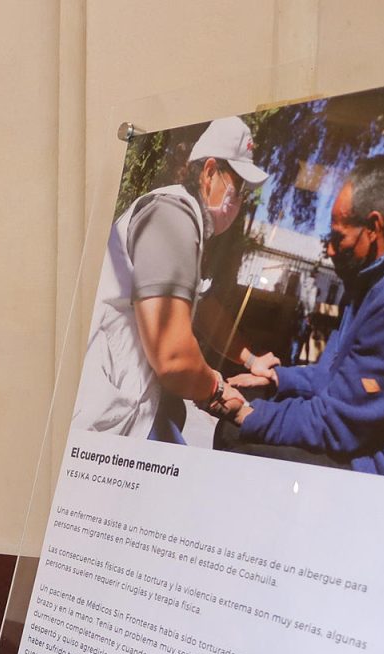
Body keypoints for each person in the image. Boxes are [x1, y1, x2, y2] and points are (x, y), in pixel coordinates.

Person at [227, 156, 384, 480]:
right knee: (253, 403)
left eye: (339, 236)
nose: (330, 250)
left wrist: (245, 414)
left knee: (234, 436)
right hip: (362, 430)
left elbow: (338, 424)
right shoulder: (372, 275)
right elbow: (334, 375)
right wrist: (278, 379)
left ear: (373, 227)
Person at [72, 116, 268, 440]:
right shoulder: (173, 217)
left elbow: (203, 309)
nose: (237, 205)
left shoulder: (184, 221)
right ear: (208, 173)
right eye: (236, 189)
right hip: (106, 410)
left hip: (133, 407)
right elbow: (173, 357)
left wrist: (250, 358)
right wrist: (217, 390)